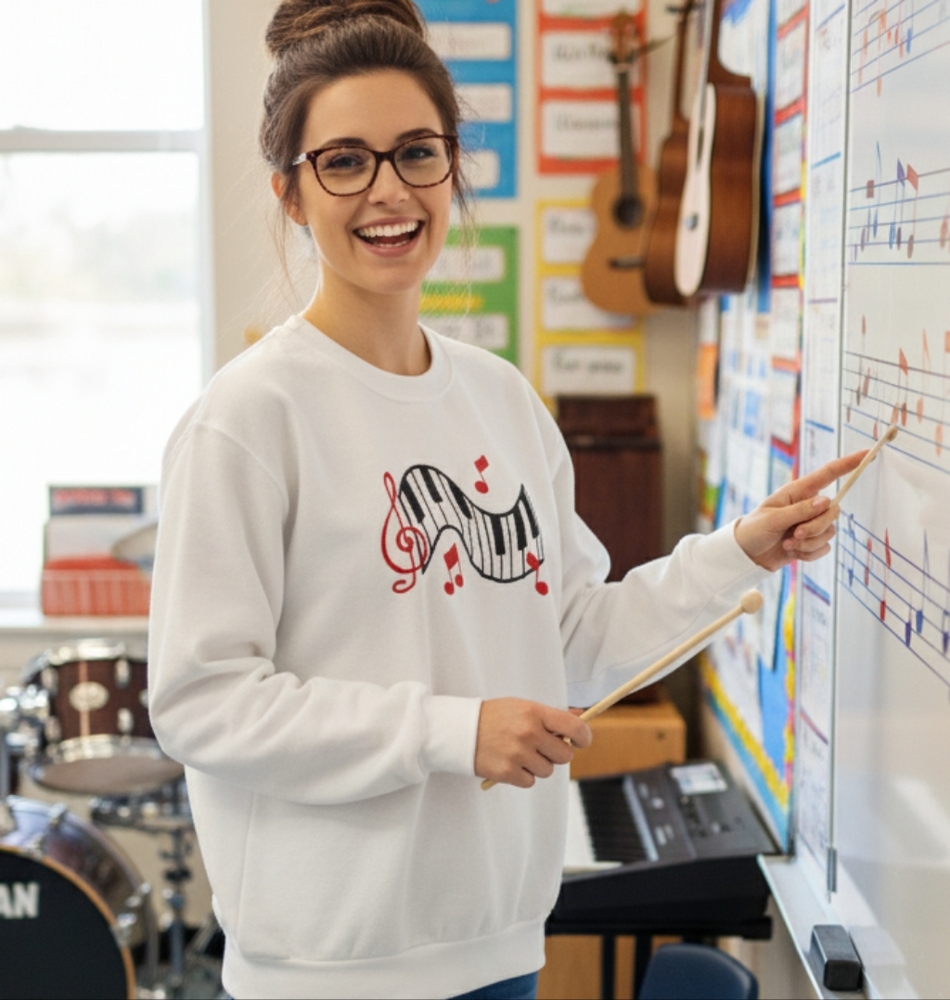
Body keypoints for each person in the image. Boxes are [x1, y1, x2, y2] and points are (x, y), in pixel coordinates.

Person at [147, 2, 864, 997]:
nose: (387, 190)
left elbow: (567, 637)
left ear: (452, 167)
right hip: (329, 968)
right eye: (343, 161)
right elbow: (202, 701)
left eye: (415, 153)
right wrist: (453, 729)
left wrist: (739, 551)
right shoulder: (246, 417)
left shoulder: (502, 401)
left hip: (501, 944)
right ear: (289, 192)